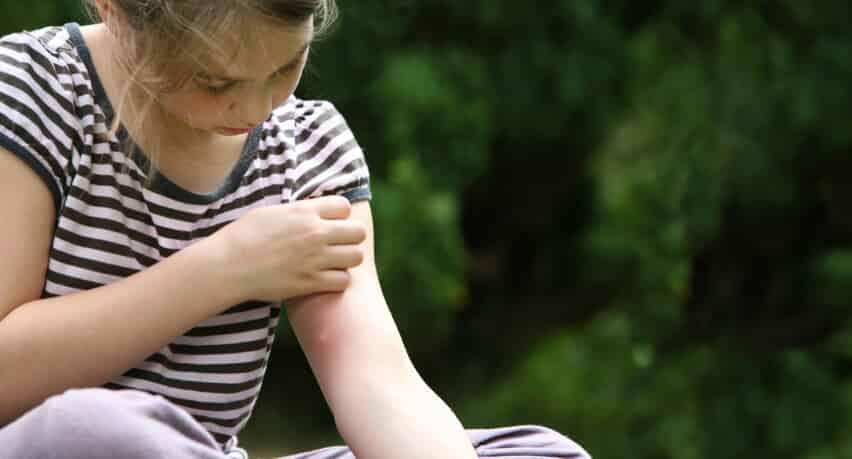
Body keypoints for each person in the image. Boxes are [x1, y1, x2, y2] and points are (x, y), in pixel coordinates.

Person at [0, 1, 591, 458]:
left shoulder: (310, 151)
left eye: (286, 65)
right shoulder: (32, 89)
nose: (258, 107)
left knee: (540, 452)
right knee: (97, 430)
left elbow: (379, 385)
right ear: (113, 9)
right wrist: (225, 268)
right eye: (215, 82)